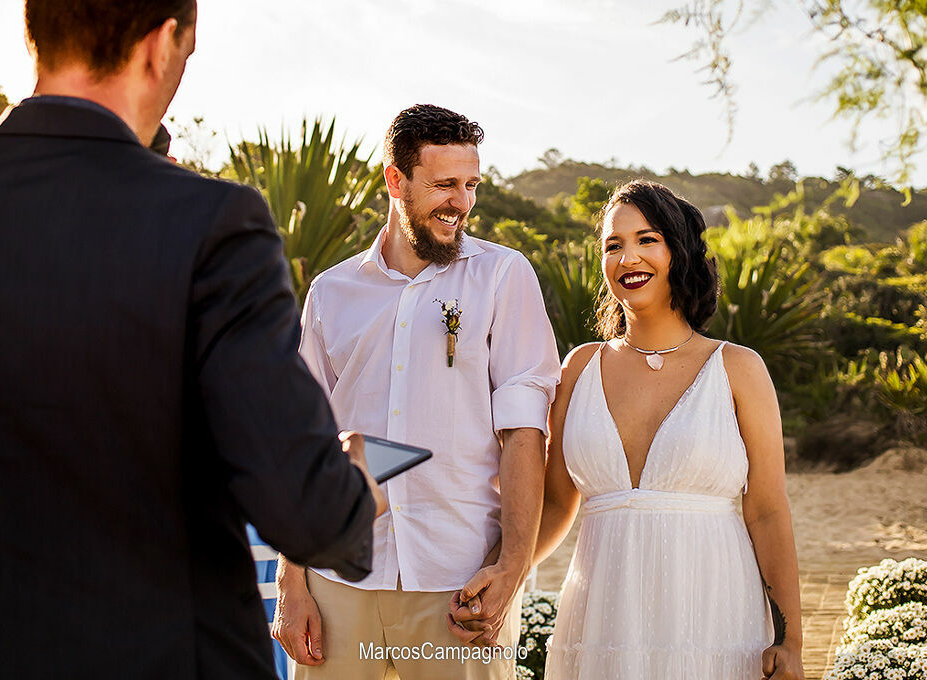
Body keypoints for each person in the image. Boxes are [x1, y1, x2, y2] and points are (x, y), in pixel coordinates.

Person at [0, 0, 381, 679]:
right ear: (162, 43)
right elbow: (304, 510)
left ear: (37, 30)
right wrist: (357, 481)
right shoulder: (212, 224)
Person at [273, 104, 560, 680]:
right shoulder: (331, 293)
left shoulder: (503, 277)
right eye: (444, 184)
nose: (461, 202)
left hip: (459, 583)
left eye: (471, 185)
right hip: (336, 581)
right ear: (395, 180)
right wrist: (291, 582)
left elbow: (525, 432)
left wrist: (512, 569)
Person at [534, 180, 804, 680]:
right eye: (613, 245)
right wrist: (501, 573)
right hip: (601, 623)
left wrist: (791, 640)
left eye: (647, 239)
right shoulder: (578, 369)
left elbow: (767, 511)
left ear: (678, 251)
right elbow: (554, 504)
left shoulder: (738, 369)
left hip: (714, 619)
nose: (628, 258)